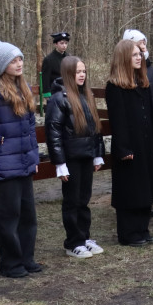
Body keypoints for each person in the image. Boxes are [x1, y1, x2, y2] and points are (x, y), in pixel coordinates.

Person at [0, 41, 41, 278]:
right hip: (4, 165)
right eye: (13, 60)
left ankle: (27, 258)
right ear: (2, 64)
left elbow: (29, 128)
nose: (18, 64)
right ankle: (11, 263)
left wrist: (34, 157)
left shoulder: (23, 87)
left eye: (20, 59)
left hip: (24, 163)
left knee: (28, 215)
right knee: (8, 217)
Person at [46, 55, 106, 258]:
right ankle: (73, 242)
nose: (81, 75)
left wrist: (98, 155)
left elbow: (95, 128)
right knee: (72, 200)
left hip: (86, 155)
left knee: (84, 199)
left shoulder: (86, 95)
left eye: (83, 71)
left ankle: (84, 237)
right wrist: (59, 163)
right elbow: (53, 133)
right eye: (77, 72)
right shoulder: (59, 98)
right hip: (71, 157)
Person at [106, 39, 153, 245]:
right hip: (129, 147)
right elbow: (118, 121)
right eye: (135, 54)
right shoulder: (115, 87)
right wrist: (123, 148)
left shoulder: (142, 83)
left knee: (146, 188)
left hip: (146, 144)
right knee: (131, 190)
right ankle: (129, 234)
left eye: (140, 54)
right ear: (124, 58)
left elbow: (150, 116)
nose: (139, 57)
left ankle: (142, 229)